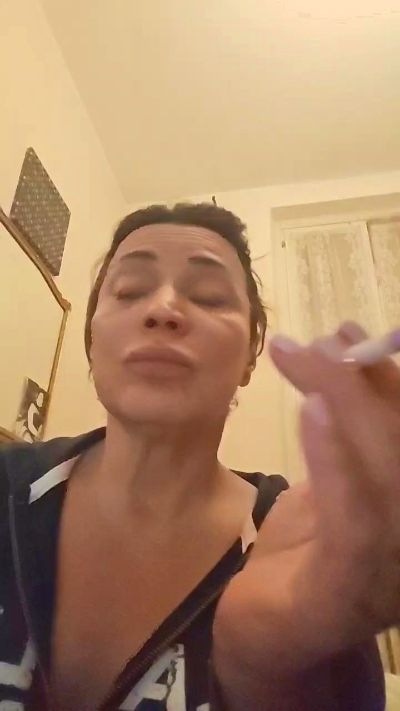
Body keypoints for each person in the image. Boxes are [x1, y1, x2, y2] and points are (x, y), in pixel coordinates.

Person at [0, 201, 391, 710]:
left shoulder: (308, 549)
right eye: (130, 291)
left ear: (251, 353)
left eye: (208, 297)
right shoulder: (7, 483)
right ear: (92, 341)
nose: (163, 309)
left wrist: (265, 673)